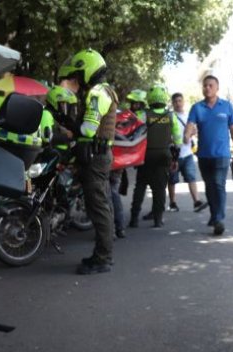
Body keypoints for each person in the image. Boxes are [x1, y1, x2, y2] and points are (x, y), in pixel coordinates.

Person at [58, 48, 117, 275]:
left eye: (77, 74)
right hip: (99, 155)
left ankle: (103, 258)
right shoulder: (104, 91)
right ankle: (103, 254)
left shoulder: (97, 94)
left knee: (98, 207)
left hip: (95, 157)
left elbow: (88, 129)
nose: (75, 79)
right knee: (102, 205)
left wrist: (68, 123)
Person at [183, 75, 233, 236]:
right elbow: (189, 126)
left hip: (222, 154)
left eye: (210, 85)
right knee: (209, 186)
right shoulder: (197, 108)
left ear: (217, 87)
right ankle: (214, 215)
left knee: (219, 184)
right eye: (205, 85)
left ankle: (219, 219)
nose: (207, 88)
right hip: (204, 155)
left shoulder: (227, 106)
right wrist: (187, 136)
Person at [129, 86, 176, 228]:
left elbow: (135, 131)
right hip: (164, 155)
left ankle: (134, 218)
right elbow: (178, 138)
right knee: (160, 188)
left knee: (141, 186)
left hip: (146, 155)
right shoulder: (170, 115)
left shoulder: (144, 114)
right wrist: (175, 157)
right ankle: (158, 219)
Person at [167, 92, 207, 213]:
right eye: (176, 101)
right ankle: (173, 203)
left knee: (191, 177)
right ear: (172, 103)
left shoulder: (189, 117)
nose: (178, 103)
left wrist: (193, 132)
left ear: (183, 102)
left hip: (187, 153)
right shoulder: (169, 117)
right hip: (173, 154)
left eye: (180, 101)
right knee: (172, 180)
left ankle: (196, 201)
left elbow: (193, 130)